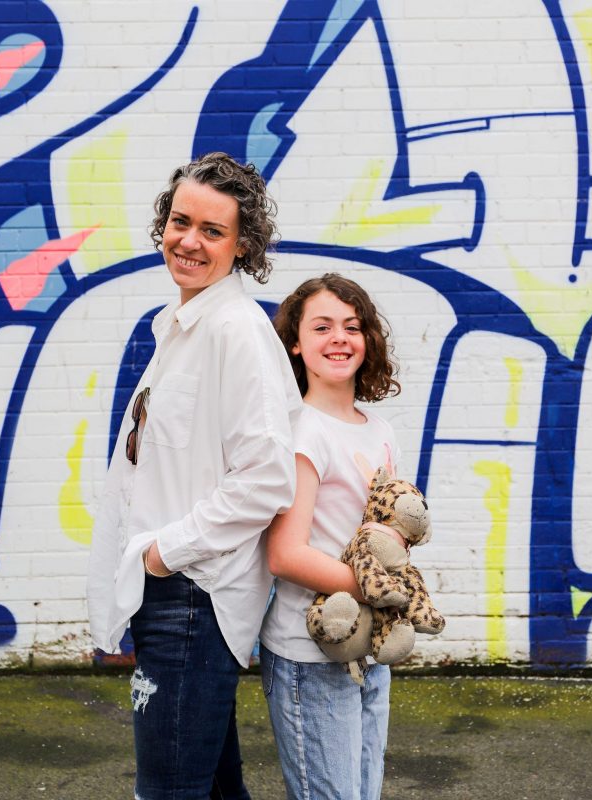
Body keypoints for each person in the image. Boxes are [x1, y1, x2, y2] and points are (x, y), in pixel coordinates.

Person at [87, 152, 302, 800]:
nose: (188, 241)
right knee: (209, 786)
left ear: (241, 246)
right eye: (181, 221)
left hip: (191, 596)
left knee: (169, 789)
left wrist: (160, 555)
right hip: (181, 596)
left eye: (212, 231)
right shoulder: (187, 326)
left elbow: (267, 478)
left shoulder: (234, 332)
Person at [259, 273, 402, 800]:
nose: (339, 337)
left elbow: (387, 530)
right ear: (295, 343)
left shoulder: (380, 430)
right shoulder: (302, 431)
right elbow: (284, 553)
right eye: (322, 327)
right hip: (309, 655)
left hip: (369, 646)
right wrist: (378, 589)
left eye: (352, 325)